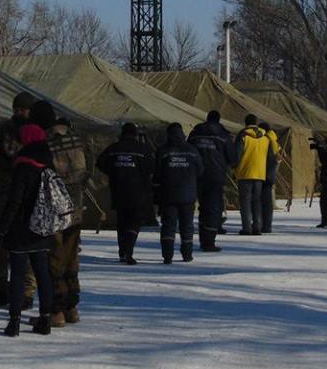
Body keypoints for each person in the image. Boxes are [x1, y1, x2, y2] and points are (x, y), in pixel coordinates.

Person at [0, 123, 56, 337]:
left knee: (18, 274)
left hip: (22, 227)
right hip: (43, 227)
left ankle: (14, 321)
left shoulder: (23, 166)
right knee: (43, 274)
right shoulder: (48, 164)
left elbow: (14, 202)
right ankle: (45, 319)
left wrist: (1, 230)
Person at [30, 101, 88, 327]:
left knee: (54, 260)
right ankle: (72, 307)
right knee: (71, 258)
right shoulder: (75, 137)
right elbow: (88, 167)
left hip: (54, 210)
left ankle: (56, 311)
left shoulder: (44, 142)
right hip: (75, 206)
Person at [0, 91, 36, 309]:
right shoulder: (3, 129)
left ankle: (26, 291)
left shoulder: (36, 133)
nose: (19, 113)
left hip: (27, 197)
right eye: (16, 110)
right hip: (3, 195)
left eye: (23, 110)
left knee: (27, 247)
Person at [97, 122, 154, 265]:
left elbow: (100, 162)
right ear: (135, 134)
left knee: (122, 222)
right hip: (137, 191)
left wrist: (113, 171)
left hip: (118, 190)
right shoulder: (142, 149)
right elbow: (152, 167)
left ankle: (123, 251)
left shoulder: (113, 148)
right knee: (134, 222)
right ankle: (128, 250)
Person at [154, 123, 204, 264]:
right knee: (187, 225)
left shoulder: (163, 151)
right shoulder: (192, 150)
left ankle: (167, 255)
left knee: (168, 226)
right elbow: (200, 170)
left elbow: (156, 174)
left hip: (168, 195)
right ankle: (187, 254)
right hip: (188, 195)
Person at [188, 110, 235, 251]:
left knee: (202, 207)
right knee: (213, 208)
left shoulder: (195, 133)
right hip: (215, 176)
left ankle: (201, 238)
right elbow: (233, 158)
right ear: (218, 120)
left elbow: (188, 149)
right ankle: (209, 241)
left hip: (197, 175)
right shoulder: (223, 135)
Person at [233, 114, 273, 235]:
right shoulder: (266, 137)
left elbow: (237, 155)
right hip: (260, 174)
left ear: (245, 123)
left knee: (245, 201)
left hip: (245, 173)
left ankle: (247, 228)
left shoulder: (243, 136)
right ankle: (257, 227)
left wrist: (234, 168)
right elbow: (270, 156)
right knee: (257, 201)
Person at [258, 122, 280, 234]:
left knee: (261, 201)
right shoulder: (273, 139)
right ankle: (267, 225)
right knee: (267, 202)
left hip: (263, 173)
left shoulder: (265, 140)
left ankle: (261, 224)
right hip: (270, 174)